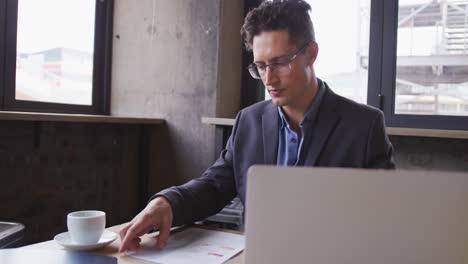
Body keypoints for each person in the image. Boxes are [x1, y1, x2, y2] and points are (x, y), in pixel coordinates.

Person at [119, 0, 395, 252]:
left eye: (279, 63)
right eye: (260, 66)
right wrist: (166, 202)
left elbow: (385, 215)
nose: (268, 79)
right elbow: (214, 185)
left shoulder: (364, 126)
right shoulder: (248, 121)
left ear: (311, 53)